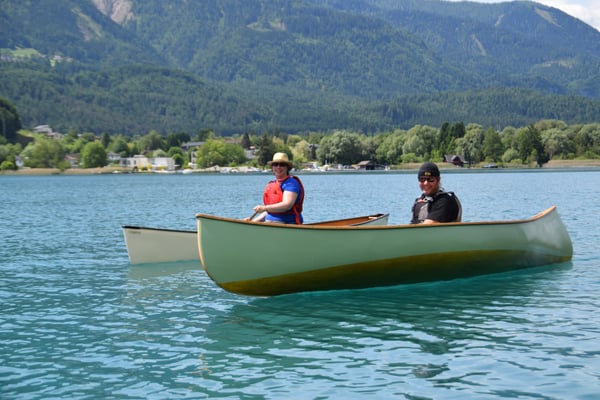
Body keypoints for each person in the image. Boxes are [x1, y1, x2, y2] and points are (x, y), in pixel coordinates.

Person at [249, 152, 304, 224]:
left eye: (282, 164)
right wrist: (252, 222)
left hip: (288, 224)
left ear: (287, 167)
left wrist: (264, 208)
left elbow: (287, 205)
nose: (278, 167)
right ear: (272, 167)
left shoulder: (291, 184)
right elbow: (269, 211)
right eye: (275, 164)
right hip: (270, 224)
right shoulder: (273, 184)